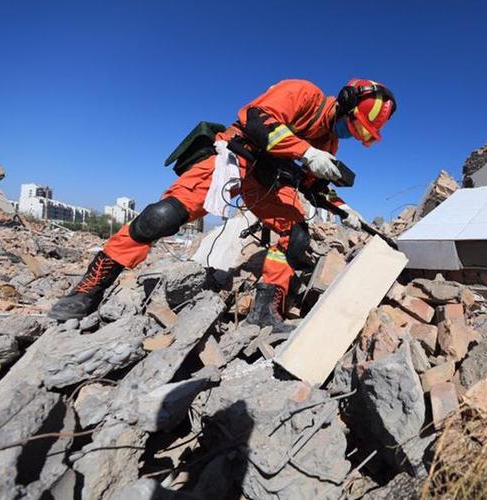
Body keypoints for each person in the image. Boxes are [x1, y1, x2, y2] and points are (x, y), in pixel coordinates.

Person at [48, 78, 396, 331]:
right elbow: (258, 121)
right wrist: (305, 151)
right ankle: (88, 290)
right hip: (235, 158)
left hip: (267, 181)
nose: (352, 135)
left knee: (296, 236)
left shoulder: (329, 143)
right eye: (354, 127)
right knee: (162, 217)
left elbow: (312, 184)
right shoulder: (303, 93)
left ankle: (265, 311)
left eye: (361, 135)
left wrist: (344, 209)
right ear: (344, 103)